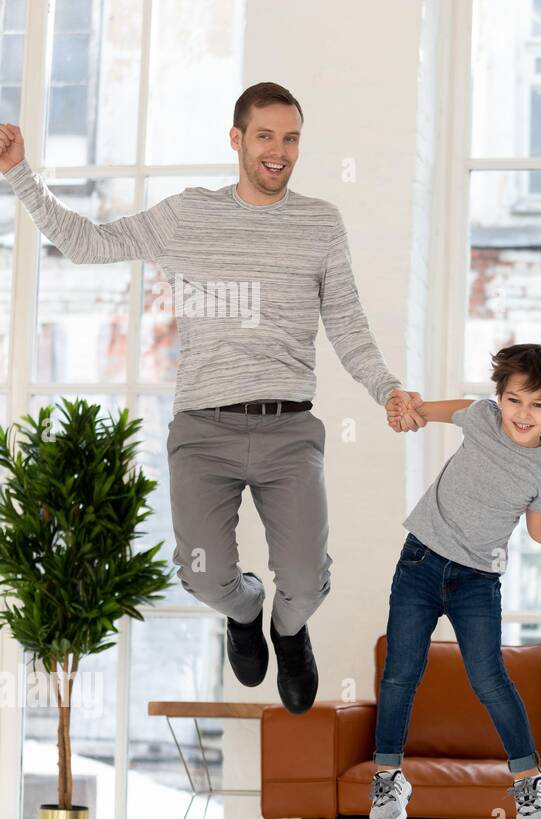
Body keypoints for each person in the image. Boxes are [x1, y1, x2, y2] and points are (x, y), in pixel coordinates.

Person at [0, 83, 424, 715]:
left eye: (291, 139)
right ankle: (247, 609)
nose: (279, 152)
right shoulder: (188, 215)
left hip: (288, 431)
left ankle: (287, 627)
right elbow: (88, 243)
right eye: (265, 137)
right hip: (204, 431)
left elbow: (348, 325)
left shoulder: (320, 223)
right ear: (237, 139)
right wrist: (19, 175)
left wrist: (386, 388)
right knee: (201, 574)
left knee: (306, 582)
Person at [368, 342, 541, 819]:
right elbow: (421, 411)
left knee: (488, 679)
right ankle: (388, 777)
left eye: (539, 405)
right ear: (499, 397)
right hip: (419, 562)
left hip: (477, 581)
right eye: (515, 399)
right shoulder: (480, 416)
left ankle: (529, 782)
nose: (523, 414)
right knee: (401, 673)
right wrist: (404, 409)